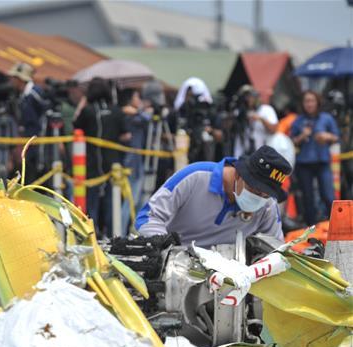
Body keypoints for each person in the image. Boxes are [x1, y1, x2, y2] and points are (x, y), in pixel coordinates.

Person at [135, 145, 292, 248]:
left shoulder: (267, 204)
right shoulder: (195, 177)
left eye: (266, 194)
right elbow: (147, 218)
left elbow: (275, 250)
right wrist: (168, 250)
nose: (260, 198)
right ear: (239, 175)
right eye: (255, 190)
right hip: (173, 264)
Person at [74, 77, 128, 238]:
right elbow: (126, 135)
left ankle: (91, 235)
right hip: (113, 164)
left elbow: (76, 125)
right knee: (113, 201)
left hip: (92, 163)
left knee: (92, 202)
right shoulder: (116, 111)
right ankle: (114, 235)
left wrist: (83, 101)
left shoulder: (88, 111)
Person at [290, 90, 340, 225]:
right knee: (308, 198)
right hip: (304, 163)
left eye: (312, 100)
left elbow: (337, 137)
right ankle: (311, 229)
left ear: (317, 102)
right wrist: (302, 136)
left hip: (322, 161)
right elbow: (291, 141)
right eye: (306, 101)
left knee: (328, 195)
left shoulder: (326, 118)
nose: (309, 104)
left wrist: (327, 136)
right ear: (302, 103)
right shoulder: (298, 120)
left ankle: (336, 225)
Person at [8, 62, 48, 182]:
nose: (11, 80)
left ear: (21, 79)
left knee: (34, 174)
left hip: (37, 143)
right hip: (26, 141)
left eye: (14, 78)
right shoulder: (21, 96)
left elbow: (43, 118)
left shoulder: (35, 94)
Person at [119, 87, 149, 219]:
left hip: (137, 159)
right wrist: (140, 110)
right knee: (130, 199)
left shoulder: (133, 114)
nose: (140, 100)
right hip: (131, 161)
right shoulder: (129, 115)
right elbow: (147, 118)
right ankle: (122, 231)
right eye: (137, 97)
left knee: (136, 199)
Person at [231, 85, 278, 157]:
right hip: (244, 154)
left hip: (263, 154)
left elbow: (274, 129)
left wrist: (260, 119)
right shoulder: (241, 112)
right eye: (246, 97)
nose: (248, 99)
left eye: (250, 96)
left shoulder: (266, 109)